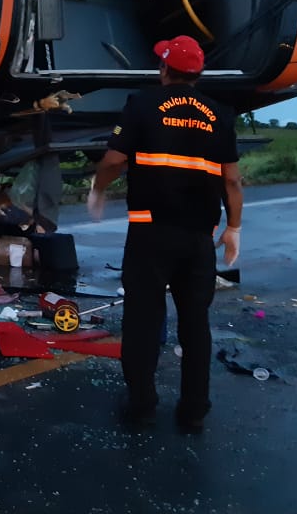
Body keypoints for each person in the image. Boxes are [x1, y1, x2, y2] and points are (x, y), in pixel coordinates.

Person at [87, 35, 243, 431]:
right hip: (198, 239)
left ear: (164, 70)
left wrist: (98, 188)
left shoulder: (142, 105)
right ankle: (193, 410)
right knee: (195, 323)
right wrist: (234, 228)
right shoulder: (220, 114)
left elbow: (114, 160)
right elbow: (233, 182)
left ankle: (141, 404)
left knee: (142, 320)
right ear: (198, 74)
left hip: (150, 233)